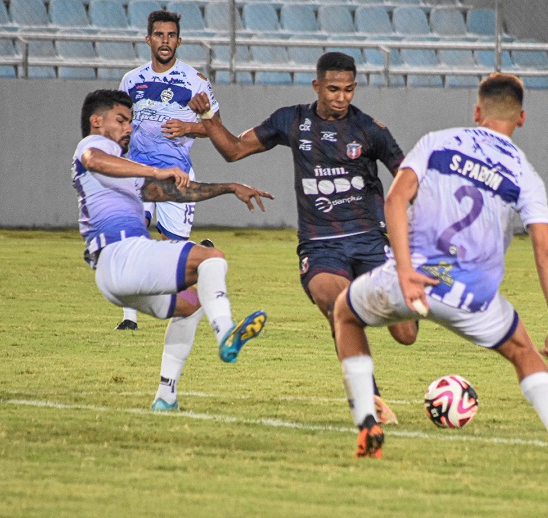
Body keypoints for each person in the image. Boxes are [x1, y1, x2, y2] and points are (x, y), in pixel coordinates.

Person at [331, 73, 548, 467]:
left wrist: (407, 271)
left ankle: (366, 420)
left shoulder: (436, 142)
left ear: (477, 111)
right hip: (473, 296)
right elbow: (545, 250)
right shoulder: (524, 175)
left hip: (414, 279)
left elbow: (395, 200)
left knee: (345, 313)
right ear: (522, 119)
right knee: (523, 351)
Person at [187, 52, 418, 425]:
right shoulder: (291, 120)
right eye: (333, 89)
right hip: (321, 245)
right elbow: (233, 150)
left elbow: (406, 177)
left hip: (372, 242)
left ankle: (412, 300)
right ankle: (369, 399)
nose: (341, 98)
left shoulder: (370, 130)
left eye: (348, 90)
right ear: (317, 86)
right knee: (339, 304)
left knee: (406, 335)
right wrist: (208, 119)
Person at [72, 89, 272, 410]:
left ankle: (166, 395)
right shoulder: (94, 146)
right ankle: (226, 335)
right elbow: (93, 159)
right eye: (121, 120)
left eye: (131, 121)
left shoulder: (122, 171)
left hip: (113, 278)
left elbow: (173, 193)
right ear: (97, 121)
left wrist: (230, 187)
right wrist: (154, 169)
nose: (128, 128)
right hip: (124, 256)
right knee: (211, 257)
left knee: (192, 302)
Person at [115, 9, 221, 331]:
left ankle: (201, 256)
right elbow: (119, 123)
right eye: (159, 35)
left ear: (179, 40)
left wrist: (189, 125)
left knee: (173, 252)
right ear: (148, 39)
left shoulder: (195, 81)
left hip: (178, 176)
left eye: (171, 35)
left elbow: (216, 129)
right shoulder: (131, 80)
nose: (165, 41)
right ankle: (129, 318)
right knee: (133, 235)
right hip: (139, 173)